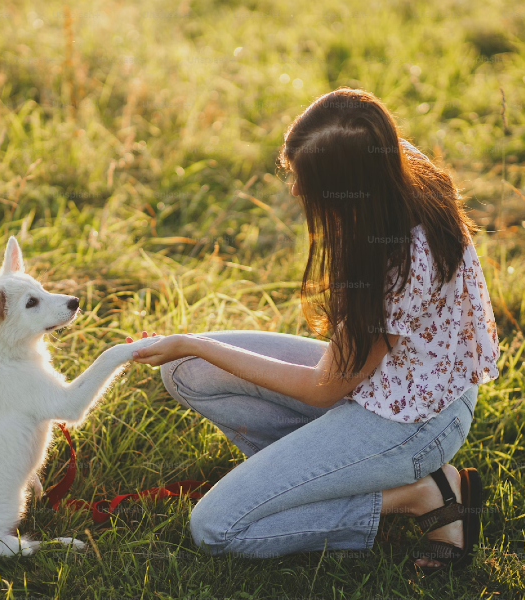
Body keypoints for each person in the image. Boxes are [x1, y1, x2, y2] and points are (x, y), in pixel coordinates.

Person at [125, 88, 500, 572]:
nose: (298, 190)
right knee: (183, 369)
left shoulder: (400, 262)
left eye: (308, 181)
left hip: (414, 423)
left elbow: (320, 389)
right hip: (386, 384)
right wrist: (190, 349)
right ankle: (305, 480)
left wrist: (198, 340)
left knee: (216, 528)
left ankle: (421, 494)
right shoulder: (397, 169)